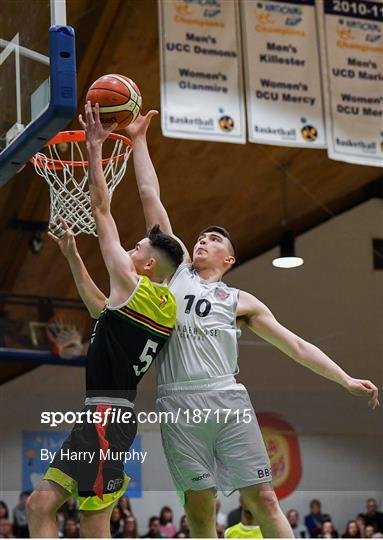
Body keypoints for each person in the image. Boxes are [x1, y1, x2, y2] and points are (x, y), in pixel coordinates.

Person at [125, 110, 379, 539]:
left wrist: (345, 379)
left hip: (227, 400)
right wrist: (138, 141)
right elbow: (152, 194)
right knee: (201, 512)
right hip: (177, 403)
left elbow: (296, 346)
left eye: (214, 240)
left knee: (263, 499)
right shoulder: (177, 273)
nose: (202, 240)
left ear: (229, 260)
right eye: (200, 237)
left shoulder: (240, 301)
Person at [26, 103, 184, 539]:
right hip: (103, 416)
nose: (130, 250)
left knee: (94, 522)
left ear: (149, 266)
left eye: (137, 249)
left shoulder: (132, 284)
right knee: (39, 504)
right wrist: (74, 257)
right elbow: (100, 309)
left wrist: (95, 147)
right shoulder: (163, 299)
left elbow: (101, 208)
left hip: (107, 418)